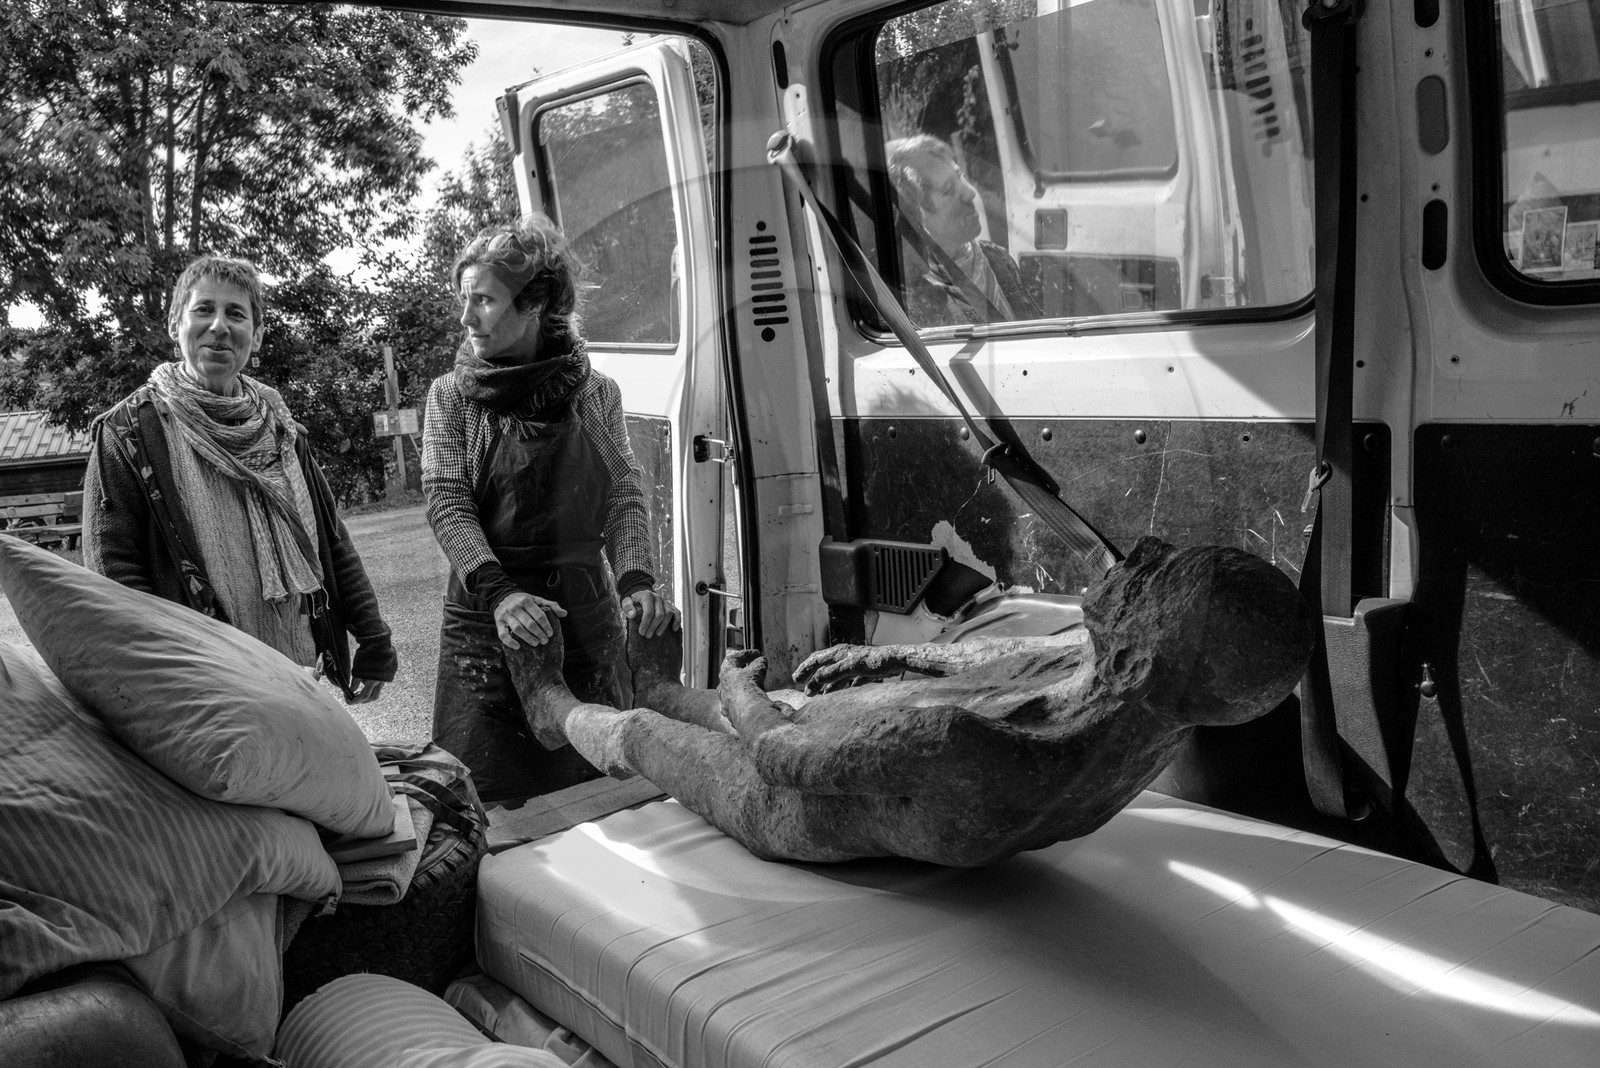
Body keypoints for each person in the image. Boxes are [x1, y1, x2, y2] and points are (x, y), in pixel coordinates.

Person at [422, 214, 678, 803]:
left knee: (605, 794)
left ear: (534, 303)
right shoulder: (452, 396)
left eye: (483, 300)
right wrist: (501, 593)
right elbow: (447, 499)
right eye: (464, 300)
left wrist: (638, 579)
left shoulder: (594, 391)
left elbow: (622, 493)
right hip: (488, 624)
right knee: (489, 804)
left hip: (587, 620)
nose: (466, 318)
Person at [83, 255, 395, 704]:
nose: (219, 326)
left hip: (301, 672)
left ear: (258, 333)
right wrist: (172, 677)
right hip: (202, 690)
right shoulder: (130, 434)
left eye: (236, 314)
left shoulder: (281, 428)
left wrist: (375, 641)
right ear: (175, 324)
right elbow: (114, 574)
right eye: (203, 310)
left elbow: (332, 541)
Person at [885, 134, 1043, 326]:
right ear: (916, 213)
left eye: (959, 177)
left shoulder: (997, 258)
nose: (969, 193)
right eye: (948, 188)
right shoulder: (914, 297)